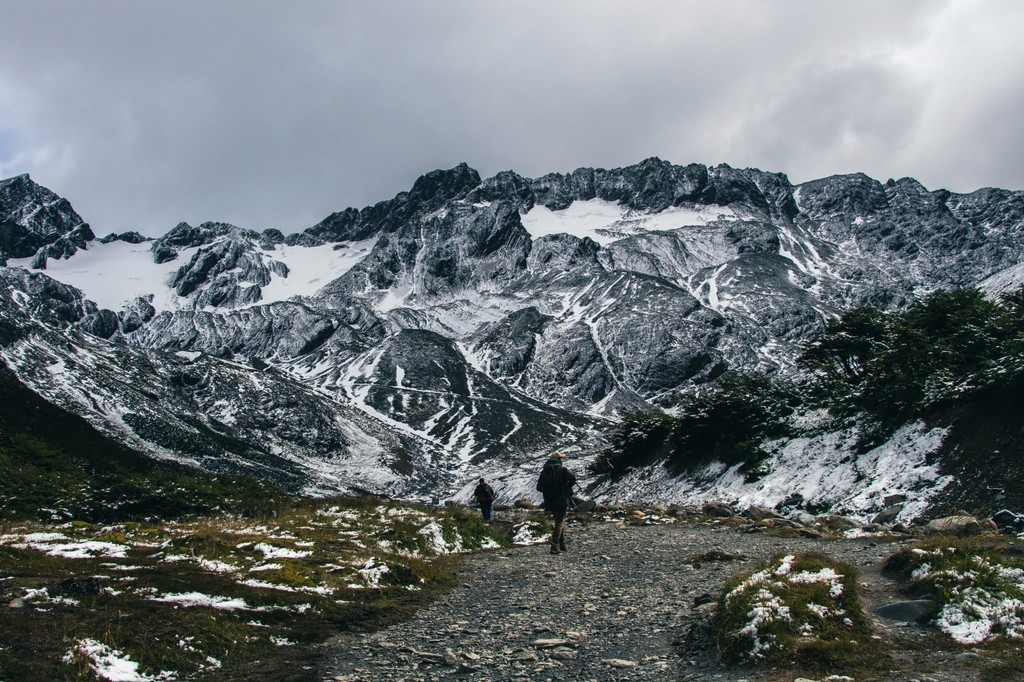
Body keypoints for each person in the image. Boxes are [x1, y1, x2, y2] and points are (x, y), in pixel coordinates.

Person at [536, 451, 576, 554]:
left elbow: (538, 488)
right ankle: (554, 545)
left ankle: (562, 544)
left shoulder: (544, 471)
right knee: (559, 522)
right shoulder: (562, 469)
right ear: (559, 459)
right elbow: (573, 478)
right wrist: (565, 486)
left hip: (549, 501)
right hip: (561, 499)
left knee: (558, 521)